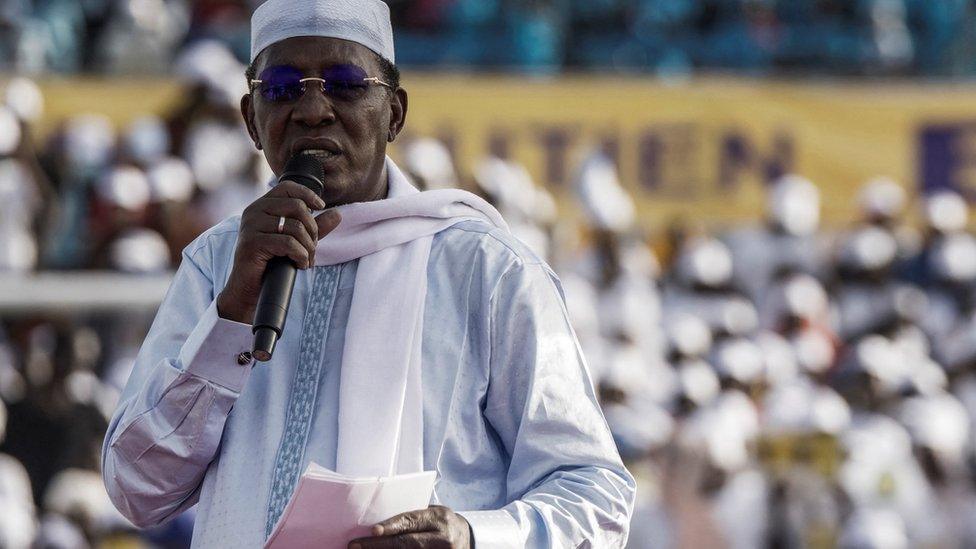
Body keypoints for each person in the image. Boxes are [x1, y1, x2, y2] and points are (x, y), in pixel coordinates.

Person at [100, 1, 635, 547]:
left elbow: (596, 496)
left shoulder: (489, 272)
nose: (312, 109)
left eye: (346, 83)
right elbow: (138, 490)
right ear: (250, 121)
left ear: (395, 113)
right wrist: (229, 320)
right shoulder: (217, 265)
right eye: (282, 87)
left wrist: (473, 535)